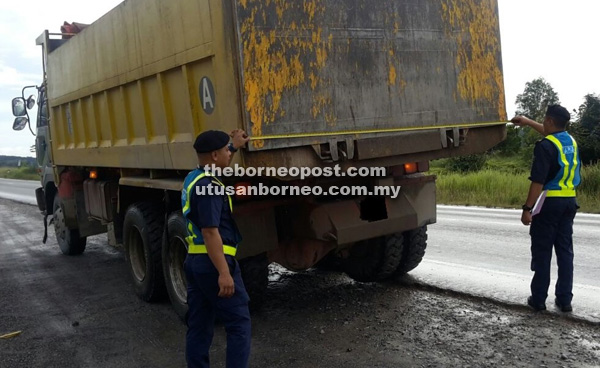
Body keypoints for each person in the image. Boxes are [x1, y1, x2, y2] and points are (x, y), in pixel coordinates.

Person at [182, 129, 251, 367]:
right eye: (225, 151)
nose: (229, 154)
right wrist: (224, 272)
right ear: (213, 155)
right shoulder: (210, 187)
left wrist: (234, 145)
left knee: (199, 326)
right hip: (214, 264)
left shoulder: (194, 177)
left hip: (195, 262)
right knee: (238, 324)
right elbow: (210, 232)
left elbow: (218, 159)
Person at [512, 105, 581, 313]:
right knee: (565, 252)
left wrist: (527, 208)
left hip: (548, 203)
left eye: (544, 120)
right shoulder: (570, 141)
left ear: (550, 121)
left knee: (542, 251)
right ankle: (564, 300)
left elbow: (538, 181)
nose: (542, 123)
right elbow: (548, 134)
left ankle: (539, 299)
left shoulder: (545, 146)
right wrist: (526, 120)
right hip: (569, 201)